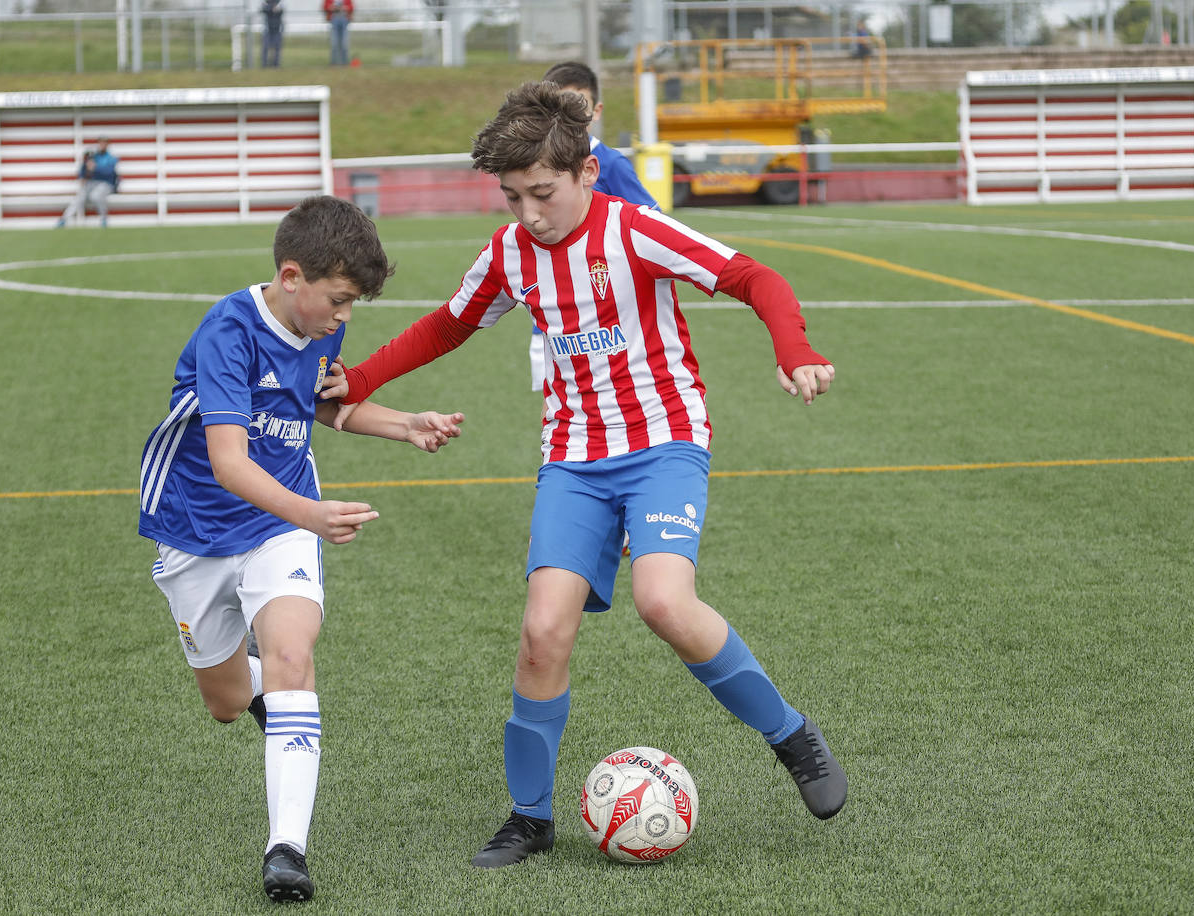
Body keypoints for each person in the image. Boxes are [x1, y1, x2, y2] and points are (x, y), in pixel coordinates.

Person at [321, 82, 846, 869]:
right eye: (513, 197)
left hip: (664, 442)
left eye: (543, 193)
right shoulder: (509, 252)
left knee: (664, 602)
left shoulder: (634, 230)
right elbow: (448, 324)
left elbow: (754, 278)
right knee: (542, 633)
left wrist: (794, 350)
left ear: (587, 173)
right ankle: (530, 817)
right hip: (573, 456)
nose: (529, 213)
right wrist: (359, 381)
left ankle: (792, 736)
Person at [138, 195, 465, 901]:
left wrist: (406, 424)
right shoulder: (228, 331)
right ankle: (262, 687)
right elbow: (229, 463)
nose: (344, 318)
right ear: (292, 277)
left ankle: (286, 849)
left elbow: (315, 403)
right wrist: (314, 515)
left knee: (293, 656)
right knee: (227, 702)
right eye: (339, 300)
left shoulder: (317, 325)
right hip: (196, 526)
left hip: (277, 524)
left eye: (351, 305)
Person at [533, 61, 661, 395]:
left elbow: (654, 223)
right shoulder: (539, 165)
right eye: (559, 106)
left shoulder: (611, 163)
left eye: (578, 105)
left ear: (596, 111)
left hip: (605, 313)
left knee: (606, 394)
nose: (568, 115)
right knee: (556, 402)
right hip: (555, 310)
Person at [57, 137, 119, 228]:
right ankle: (63, 220)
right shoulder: (93, 156)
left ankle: (103, 219)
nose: (102, 145)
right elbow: (84, 170)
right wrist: (82, 176)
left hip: (106, 184)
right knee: (79, 197)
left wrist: (95, 168)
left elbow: (109, 172)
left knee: (96, 196)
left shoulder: (111, 158)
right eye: (101, 143)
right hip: (91, 183)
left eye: (104, 143)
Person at [323, 0, 352, 66]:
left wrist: (344, 8)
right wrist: (332, 7)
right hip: (333, 20)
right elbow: (325, 7)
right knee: (334, 43)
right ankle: (334, 63)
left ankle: (345, 63)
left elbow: (351, 7)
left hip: (344, 20)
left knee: (344, 43)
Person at [261, 0, 285, 68]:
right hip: (267, 29)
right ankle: (264, 65)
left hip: (277, 30)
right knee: (265, 47)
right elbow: (264, 10)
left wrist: (273, 9)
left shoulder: (280, 3)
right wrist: (271, 8)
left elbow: (281, 11)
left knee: (277, 48)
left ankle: (276, 65)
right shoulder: (266, 3)